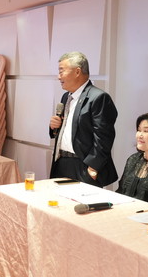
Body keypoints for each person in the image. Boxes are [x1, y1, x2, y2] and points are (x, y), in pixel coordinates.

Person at [48, 51, 118, 187]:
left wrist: (93, 167)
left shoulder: (98, 97)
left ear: (77, 71)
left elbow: (104, 137)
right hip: (61, 163)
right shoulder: (66, 97)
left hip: (83, 166)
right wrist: (54, 126)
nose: (58, 76)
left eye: (61, 71)